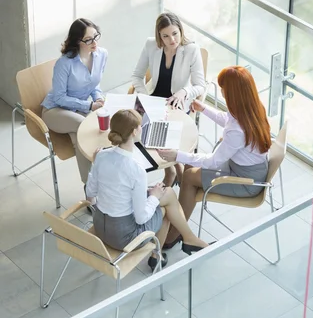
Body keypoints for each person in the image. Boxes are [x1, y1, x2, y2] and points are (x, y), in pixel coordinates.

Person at [157, 66, 271, 249]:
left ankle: (173, 234)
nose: (222, 93)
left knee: (188, 176)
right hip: (250, 167)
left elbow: (213, 161)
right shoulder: (252, 108)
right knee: (188, 170)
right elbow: (229, 119)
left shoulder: (237, 131)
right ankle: (177, 224)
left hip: (245, 181)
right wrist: (204, 109)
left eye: (224, 89)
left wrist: (176, 154)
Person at [85, 109, 211, 271]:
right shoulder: (136, 169)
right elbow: (141, 218)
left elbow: (91, 193)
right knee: (164, 207)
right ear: (134, 131)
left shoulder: (101, 156)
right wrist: (154, 197)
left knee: (168, 193)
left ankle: (187, 239)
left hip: (100, 226)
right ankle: (160, 254)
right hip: (123, 237)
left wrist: (95, 165)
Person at [131, 12, 206, 187]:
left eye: (175, 33)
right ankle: (176, 172)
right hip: (152, 100)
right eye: (165, 36)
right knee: (137, 130)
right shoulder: (151, 45)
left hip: (176, 103)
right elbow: (137, 76)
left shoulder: (191, 50)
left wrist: (184, 92)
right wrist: (145, 97)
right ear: (159, 36)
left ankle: (173, 172)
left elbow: (200, 85)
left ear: (180, 30)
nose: (172, 39)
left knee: (159, 132)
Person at [41, 18, 107, 185]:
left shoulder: (102, 55)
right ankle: (92, 186)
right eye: (88, 40)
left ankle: (93, 186)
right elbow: (59, 98)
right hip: (55, 110)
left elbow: (94, 83)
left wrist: (98, 97)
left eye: (96, 36)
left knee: (86, 134)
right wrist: (89, 105)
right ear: (78, 41)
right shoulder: (64, 63)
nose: (94, 43)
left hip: (78, 109)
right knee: (83, 126)